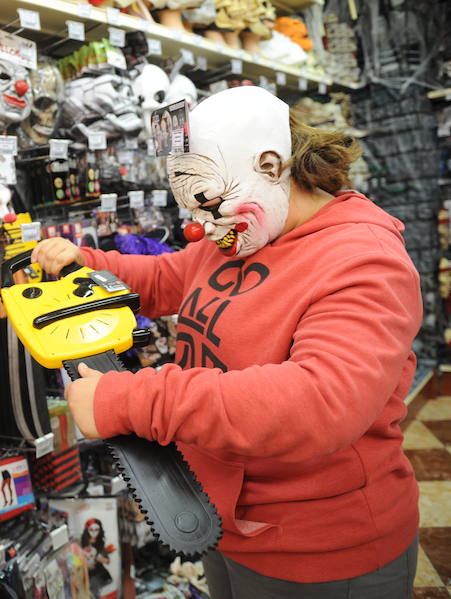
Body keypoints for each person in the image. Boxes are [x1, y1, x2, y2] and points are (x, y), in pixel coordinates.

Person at [31, 86, 422, 598]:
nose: (200, 228)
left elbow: (319, 402)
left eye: (210, 204)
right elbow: (172, 276)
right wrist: (92, 267)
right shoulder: (240, 232)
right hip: (225, 523)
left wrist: (131, 400)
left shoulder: (364, 260)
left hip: (321, 552)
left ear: (271, 165)